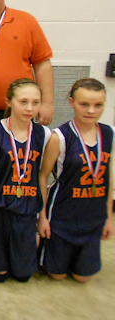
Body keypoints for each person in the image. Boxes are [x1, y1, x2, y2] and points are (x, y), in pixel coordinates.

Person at [38, 78, 114, 282]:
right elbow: (43, 177)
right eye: (84, 104)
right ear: (71, 102)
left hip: (93, 216)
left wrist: (108, 217)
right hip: (62, 217)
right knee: (57, 275)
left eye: (98, 105)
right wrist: (42, 218)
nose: (91, 110)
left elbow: (108, 178)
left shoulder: (109, 134)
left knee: (82, 278)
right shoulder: (60, 137)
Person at [0, 78, 51, 283]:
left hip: (28, 207)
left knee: (22, 276)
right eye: (23, 101)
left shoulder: (46, 135)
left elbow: (42, 178)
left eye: (36, 103)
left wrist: (43, 216)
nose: (30, 108)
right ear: (9, 101)